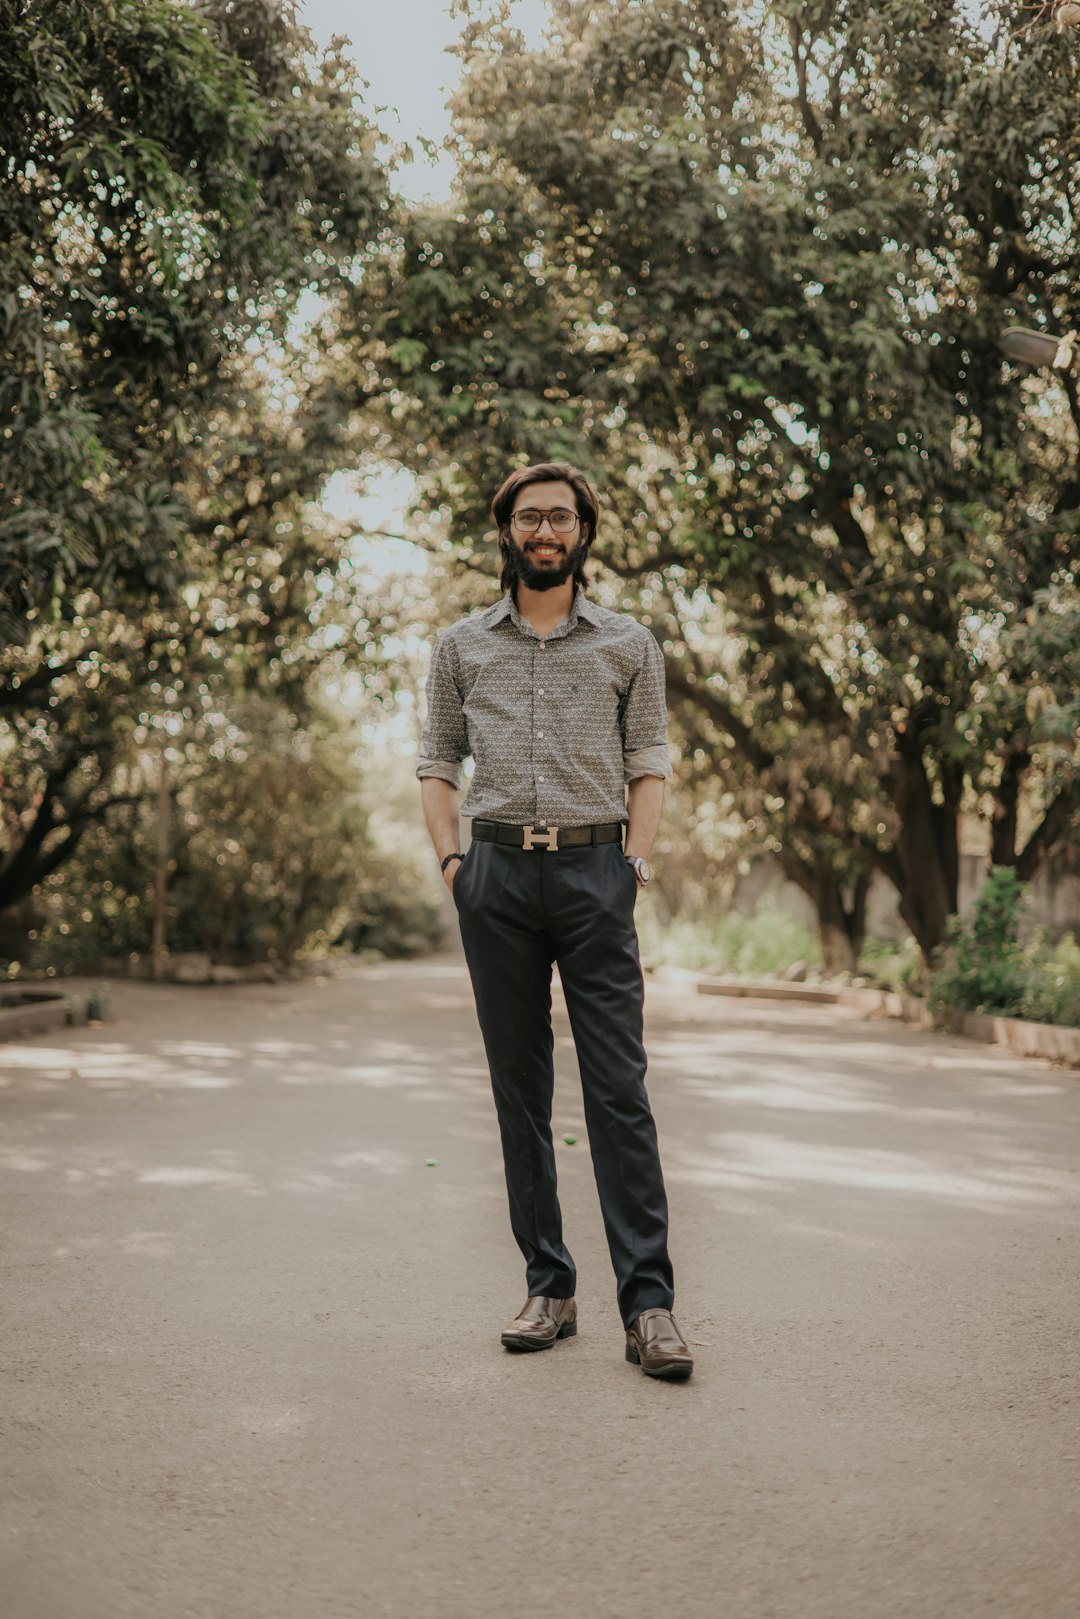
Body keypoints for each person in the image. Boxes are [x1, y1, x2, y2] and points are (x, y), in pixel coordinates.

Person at [416, 460, 693, 1381]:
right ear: (507, 532)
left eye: (560, 518)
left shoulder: (628, 644)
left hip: (593, 872)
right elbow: (437, 762)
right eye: (529, 517)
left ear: (583, 533)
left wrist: (633, 863)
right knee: (518, 1092)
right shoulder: (460, 645)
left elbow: (648, 758)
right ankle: (550, 1284)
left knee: (619, 1091)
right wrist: (455, 864)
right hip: (493, 873)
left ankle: (648, 1304)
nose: (545, 531)